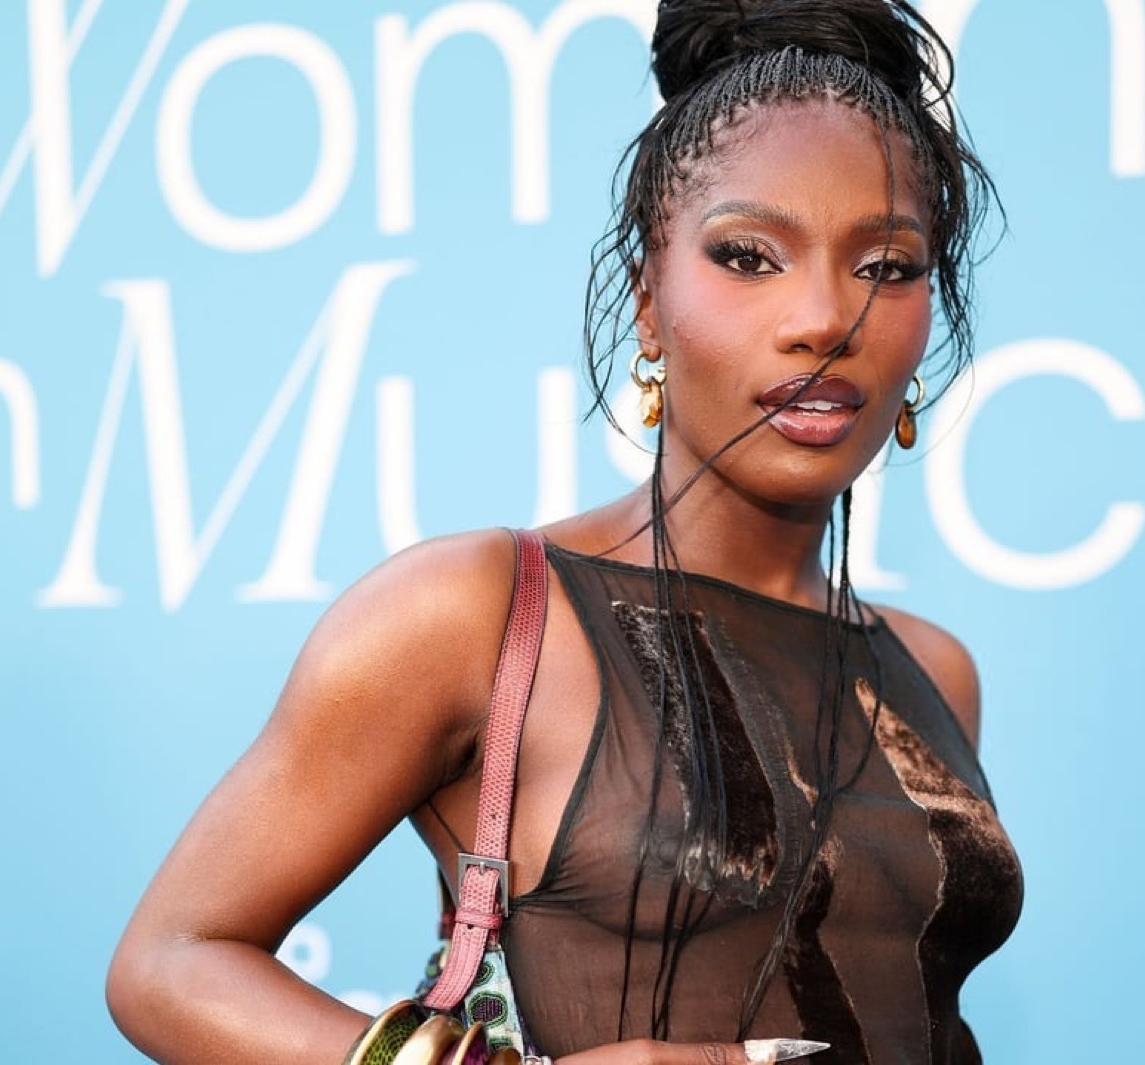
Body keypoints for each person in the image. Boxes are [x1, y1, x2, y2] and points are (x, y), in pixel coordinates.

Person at [106, 0, 1024, 1061]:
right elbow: (170, 961)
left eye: (887, 267)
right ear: (647, 299)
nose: (825, 317)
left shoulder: (933, 671)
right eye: (747, 256)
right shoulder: (479, 612)